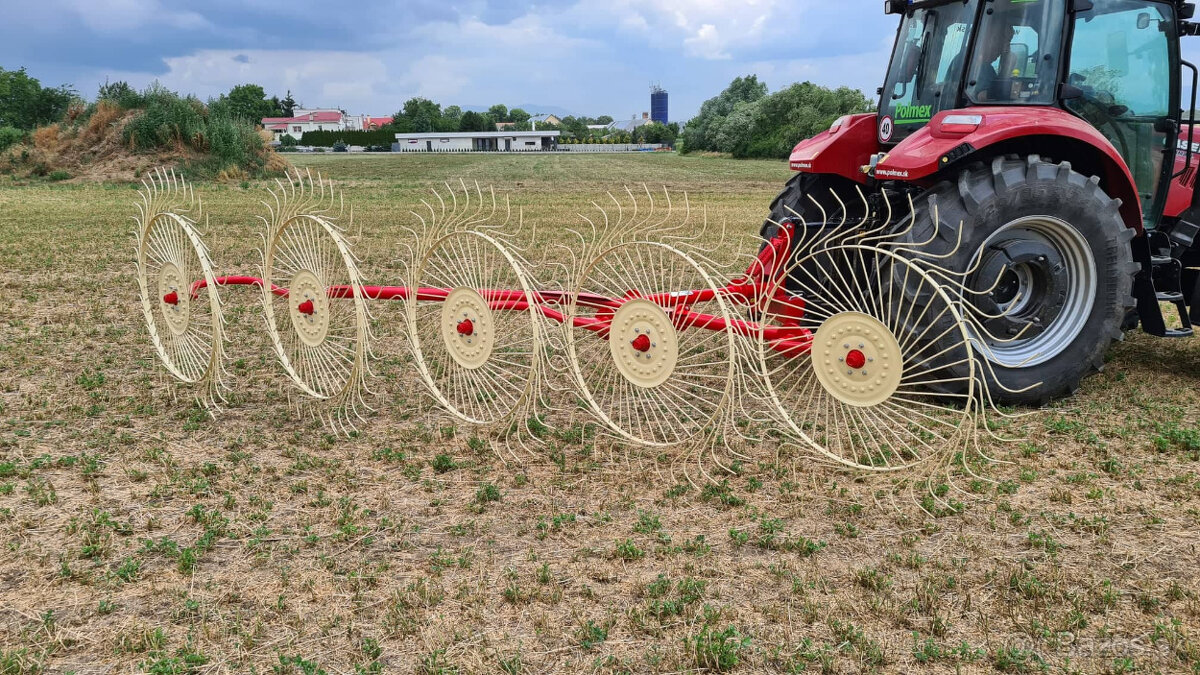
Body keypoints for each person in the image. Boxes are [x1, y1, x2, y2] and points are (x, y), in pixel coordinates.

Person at [970, 24, 1019, 101]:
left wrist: (1005, 67)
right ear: (993, 39)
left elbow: (996, 86)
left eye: (1009, 42)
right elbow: (981, 96)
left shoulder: (985, 66)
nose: (1007, 47)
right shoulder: (978, 65)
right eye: (1006, 41)